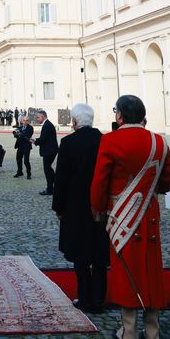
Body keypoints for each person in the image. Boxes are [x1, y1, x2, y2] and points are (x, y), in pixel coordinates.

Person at [91, 95, 170, 339]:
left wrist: (97, 208)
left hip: (121, 215)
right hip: (148, 213)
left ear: (119, 116)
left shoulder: (110, 141)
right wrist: (151, 189)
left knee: (125, 269)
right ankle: (153, 330)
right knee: (150, 269)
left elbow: (100, 181)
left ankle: (128, 330)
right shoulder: (157, 141)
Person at [52, 103, 109, 314]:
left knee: (81, 256)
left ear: (74, 121)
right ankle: (99, 299)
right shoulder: (105, 140)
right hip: (100, 207)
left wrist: (58, 207)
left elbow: (61, 179)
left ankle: (85, 298)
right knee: (100, 256)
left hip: (75, 207)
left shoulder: (68, 142)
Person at [35, 108, 59, 195]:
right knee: (49, 170)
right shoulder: (47, 124)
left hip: (49, 151)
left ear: (43, 116)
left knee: (48, 170)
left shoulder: (47, 125)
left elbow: (43, 139)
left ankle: (50, 189)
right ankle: (55, 187)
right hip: (50, 150)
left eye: (38, 117)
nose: (37, 119)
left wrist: (35, 141)